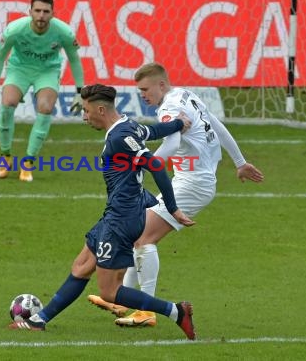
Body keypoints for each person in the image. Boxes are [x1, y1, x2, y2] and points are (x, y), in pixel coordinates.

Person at [9, 83, 199, 340]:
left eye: (86, 111)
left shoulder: (120, 137)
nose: (84, 117)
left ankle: (176, 311)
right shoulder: (129, 126)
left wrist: (173, 208)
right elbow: (153, 130)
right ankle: (39, 320)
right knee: (81, 266)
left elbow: (154, 164)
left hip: (122, 219)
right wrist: (177, 124)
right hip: (116, 214)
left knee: (109, 291)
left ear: (100, 109)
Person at [88, 63, 264, 327]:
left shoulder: (170, 109)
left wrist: (143, 165)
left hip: (193, 184)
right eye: (139, 90)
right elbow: (216, 124)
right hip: (194, 180)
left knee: (144, 237)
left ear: (161, 85)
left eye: (145, 89)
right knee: (138, 233)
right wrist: (240, 161)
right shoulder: (186, 94)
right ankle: (124, 301)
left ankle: (144, 311)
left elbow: (170, 142)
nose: (143, 95)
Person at [0, 0, 85, 182]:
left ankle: (28, 162)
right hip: (18, 69)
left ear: (52, 14)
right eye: (37, 11)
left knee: (45, 107)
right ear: (30, 11)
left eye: (46, 11)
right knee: (7, 103)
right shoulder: (15, 29)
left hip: (47, 71)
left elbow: (74, 60)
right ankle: (6, 157)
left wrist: (80, 92)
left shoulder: (64, 32)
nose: (41, 15)